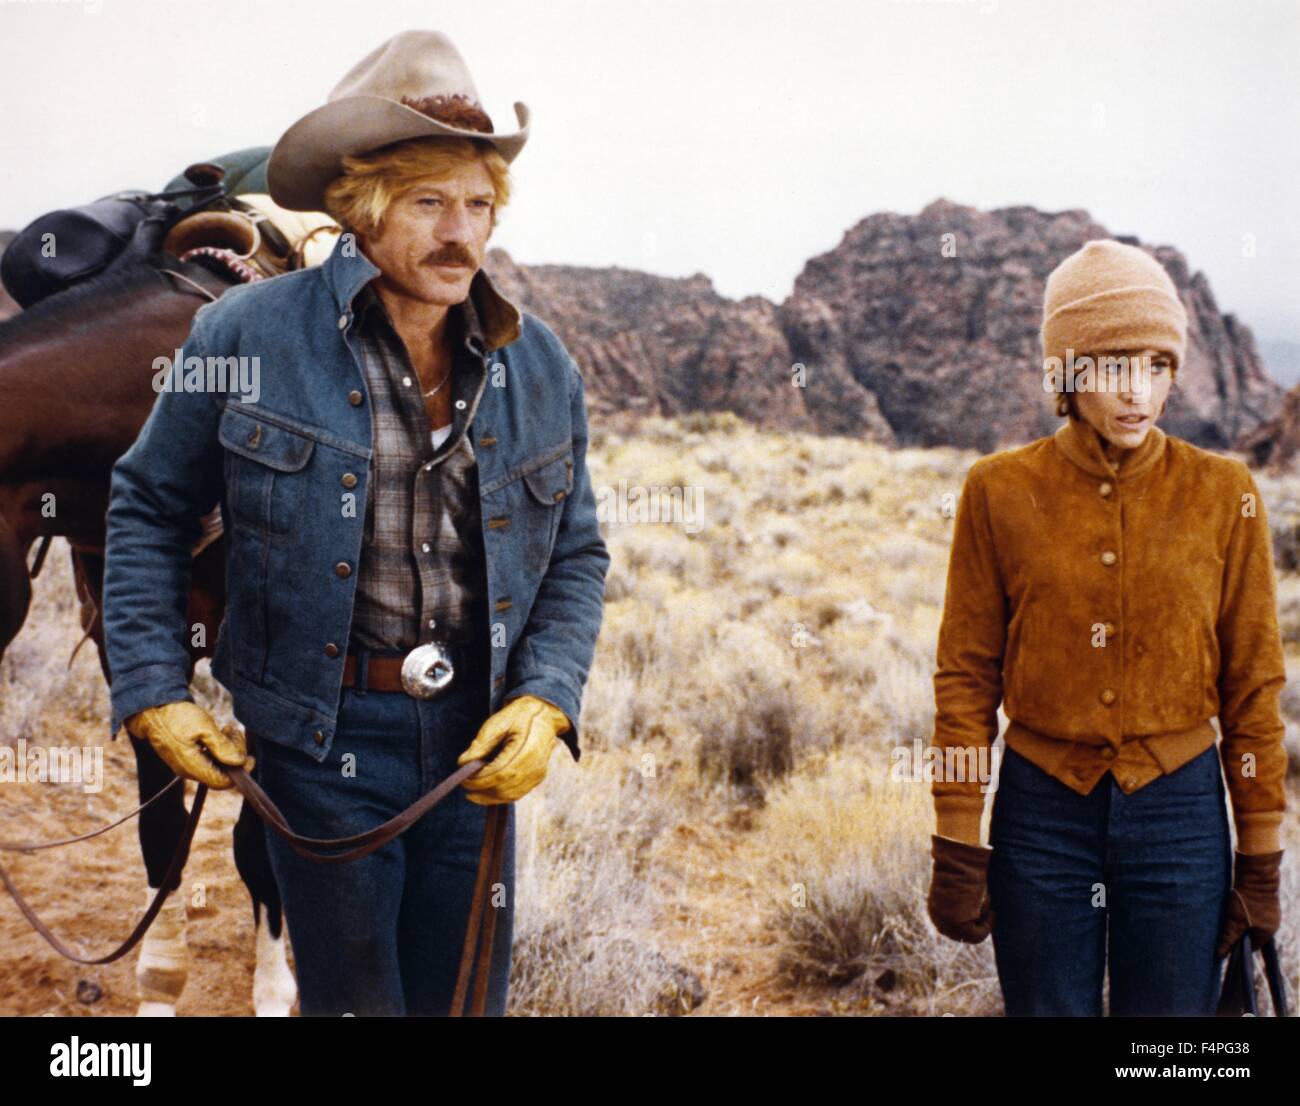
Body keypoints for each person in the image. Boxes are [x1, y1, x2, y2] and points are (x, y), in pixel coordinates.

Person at [102, 29, 609, 1016]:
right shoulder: (244, 335)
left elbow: (577, 549)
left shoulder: (539, 363)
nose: (461, 233)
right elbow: (149, 503)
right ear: (362, 208)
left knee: (465, 1004)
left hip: (477, 748)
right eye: (429, 203)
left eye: (478, 205)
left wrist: (548, 696)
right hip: (317, 740)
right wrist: (154, 690)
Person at [925, 239, 1287, 1016]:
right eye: (1115, 366)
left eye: (1158, 365)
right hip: (1041, 819)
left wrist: (1260, 857)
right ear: (1068, 372)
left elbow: (1254, 684)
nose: (1140, 392)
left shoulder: (1225, 494)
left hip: (1181, 818)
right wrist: (957, 835)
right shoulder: (997, 491)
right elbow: (964, 676)